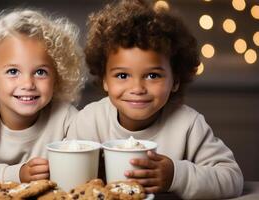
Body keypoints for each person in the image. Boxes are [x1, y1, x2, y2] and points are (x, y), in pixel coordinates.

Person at [67, 0, 243, 199]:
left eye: (152, 76)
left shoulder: (189, 125)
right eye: (122, 76)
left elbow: (231, 178)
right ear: (105, 80)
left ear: (175, 80)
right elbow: (67, 182)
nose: (137, 89)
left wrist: (176, 176)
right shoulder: (89, 121)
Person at [0, 8, 85, 185]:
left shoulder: (66, 118)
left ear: (57, 78)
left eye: (40, 72)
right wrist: (17, 174)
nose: (28, 84)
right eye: (13, 71)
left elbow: (81, 170)